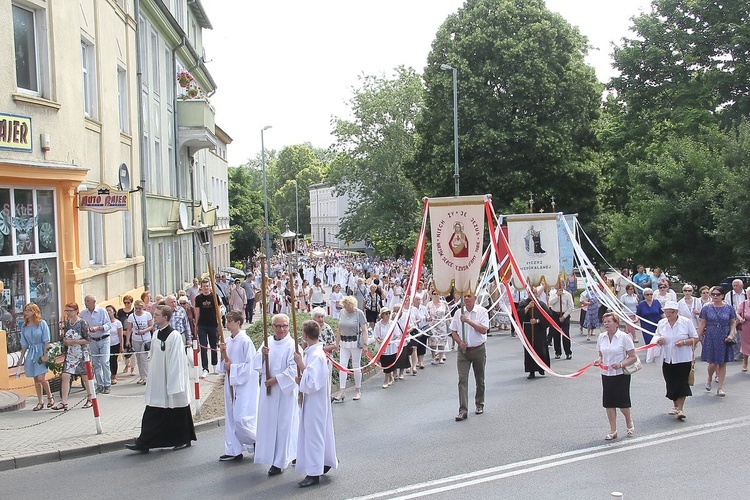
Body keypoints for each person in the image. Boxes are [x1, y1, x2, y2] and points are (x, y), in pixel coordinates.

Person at [126, 305, 196, 453]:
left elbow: (177, 360)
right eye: (154, 314)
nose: (154, 317)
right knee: (153, 410)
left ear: (165, 318)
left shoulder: (174, 336)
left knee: (178, 411)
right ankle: (144, 442)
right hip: (158, 380)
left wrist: (173, 382)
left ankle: (184, 439)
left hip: (172, 379)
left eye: (157, 315)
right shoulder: (156, 334)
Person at [293, 320, 338, 488]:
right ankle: (323, 461)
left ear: (305, 335)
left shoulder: (317, 355)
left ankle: (313, 473)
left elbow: (312, 382)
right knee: (315, 433)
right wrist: (302, 377)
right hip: (313, 401)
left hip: (316, 402)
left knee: (314, 435)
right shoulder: (313, 352)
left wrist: (300, 364)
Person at [253, 313, 299, 476]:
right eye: (278, 326)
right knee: (268, 424)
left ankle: (280, 461)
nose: (282, 329)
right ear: (272, 326)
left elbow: (294, 369)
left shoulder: (292, 345)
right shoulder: (268, 343)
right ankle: (269, 456)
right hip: (269, 393)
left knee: (284, 425)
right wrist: (262, 355)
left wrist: (276, 380)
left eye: (285, 326)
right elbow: (256, 364)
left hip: (284, 392)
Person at [217, 310, 259, 461]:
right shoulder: (228, 341)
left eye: (229, 321)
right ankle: (233, 449)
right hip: (231, 382)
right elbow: (224, 364)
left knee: (240, 419)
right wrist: (223, 354)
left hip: (244, 385)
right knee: (231, 417)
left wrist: (233, 368)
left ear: (238, 323)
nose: (226, 324)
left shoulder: (245, 341)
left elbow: (250, 366)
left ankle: (257, 440)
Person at [652, 301, 698, 420]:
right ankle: (675, 405)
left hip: (683, 358)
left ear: (676, 312)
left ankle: (680, 409)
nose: (668, 315)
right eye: (666, 312)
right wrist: (659, 340)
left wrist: (683, 342)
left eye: (670, 312)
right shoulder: (662, 323)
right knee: (671, 382)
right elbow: (656, 336)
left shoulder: (686, 322)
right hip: (667, 358)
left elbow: (695, 338)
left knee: (682, 382)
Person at [593, 313, 637, 440]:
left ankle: (629, 422)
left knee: (623, 402)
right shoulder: (602, 337)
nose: (606, 324)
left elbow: (633, 357)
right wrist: (599, 360)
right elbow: (601, 354)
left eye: (609, 321)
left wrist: (621, 364)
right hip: (606, 374)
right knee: (609, 402)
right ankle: (613, 429)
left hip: (621, 374)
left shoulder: (624, 337)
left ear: (616, 324)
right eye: (604, 321)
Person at [449, 291, 489, 421]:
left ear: (475, 298)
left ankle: (479, 403)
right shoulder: (458, 313)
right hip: (464, 353)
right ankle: (463, 410)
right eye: (464, 296)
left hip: (478, 350)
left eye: (468, 296)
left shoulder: (482, 311)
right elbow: (453, 331)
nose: (466, 299)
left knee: (480, 379)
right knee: (462, 380)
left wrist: (468, 321)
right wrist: (460, 342)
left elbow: (483, 329)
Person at [52, 303, 93, 411]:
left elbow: (88, 340)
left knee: (85, 377)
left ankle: (90, 398)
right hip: (71, 354)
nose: (68, 313)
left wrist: (74, 341)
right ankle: (64, 402)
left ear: (76, 311)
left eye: (70, 310)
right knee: (65, 376)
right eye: (66, 311)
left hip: (81, 354)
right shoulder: (67, 323)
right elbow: (65, 337)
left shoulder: (82, 323)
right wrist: (65, 341)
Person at [698, 286, 737, 397]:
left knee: (722, 362)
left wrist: (731, 334)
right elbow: (702, 324)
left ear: (722, 295)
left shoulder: (729, 307)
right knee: (712, 362)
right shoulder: (706, 308)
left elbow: (733, 322)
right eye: (713, 294)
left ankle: (720, 387)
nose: (715, 296)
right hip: (711, 334)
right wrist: (696, 338)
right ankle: (710, 378)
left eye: (717, 294)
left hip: (724, 335)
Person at [19, 303, 54, 411]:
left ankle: (50, 397)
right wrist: (21, 358)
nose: (26, 312)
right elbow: (24, 345)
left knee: (41, 378)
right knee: (35, 378)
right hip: (31, 353)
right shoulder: (24, 327)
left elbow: (46, 341)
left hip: (41, 351)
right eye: (25, 310)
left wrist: (45, 355)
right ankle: (40, 401)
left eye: (29, 310)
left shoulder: (41, 324)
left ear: (34, 311)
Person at [333, 296, 368, 402]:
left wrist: (365, 345)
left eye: (348, 306)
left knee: (356, 366)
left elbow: (364, 330)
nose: (346, 308)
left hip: (355, 343)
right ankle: (341, 391)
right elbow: (339, 328)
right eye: (345, 306)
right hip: (344, 342)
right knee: (342, 366)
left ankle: (357, 390)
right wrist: (336, 343)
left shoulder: (359, 313)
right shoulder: (342, 312)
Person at [79, 295, 112, 394]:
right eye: (85, 301)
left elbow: (108, 325)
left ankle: (107, 384)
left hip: (104, 339)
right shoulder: (83, 313)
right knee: (95, 363)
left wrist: (98, 328)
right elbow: (79, 322)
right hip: (92, 340)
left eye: (88, 301)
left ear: (94, 301)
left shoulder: (102, 311)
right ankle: (100, 385)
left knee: (104, 361)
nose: (86, 303)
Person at [520, 288, 553, 379]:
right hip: (528, 330)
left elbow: (548, 317)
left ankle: (541, 367)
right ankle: (531, 371)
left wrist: (538, 320)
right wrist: (528, 307)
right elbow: (519, 314)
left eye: (534, 292)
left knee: (541, 349)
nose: (532, 294)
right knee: (530, 350)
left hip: (539, 330)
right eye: (530, 293)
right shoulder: (524, 303)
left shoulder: (541, 304)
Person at [195, 278, 219, 378]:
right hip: (202, 325)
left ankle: (215, 365)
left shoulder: (214, 296)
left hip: (213, 324)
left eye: (207, 286)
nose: (205, 288)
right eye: (204, 286)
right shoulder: (199, 298)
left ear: (209, 287)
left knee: (214, 345)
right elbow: (197, 312)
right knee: (204, 346)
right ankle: (205, 368)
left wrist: (219, 322)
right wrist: (196, 326)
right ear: (201, 287)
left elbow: (218, 310)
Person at [127, 299, 153, 385]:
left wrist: (144, 331)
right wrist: (127, 340)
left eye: (139, 308)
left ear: (143, 308)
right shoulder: (131, 316)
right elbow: (129, 329)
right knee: (138, 358)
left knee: (143, 357)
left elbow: (151, 326)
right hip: (136, 339)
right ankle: (142, 376)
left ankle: (146, 377)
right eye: (136, 308)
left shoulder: (147, 315)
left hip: (146, 339)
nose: (138, 310)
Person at [548, 281, 574, 360]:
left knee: (566, 334)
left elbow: (570, 307)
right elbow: (550, 303)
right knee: (556, 335)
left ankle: (568, 352)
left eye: (561, 285)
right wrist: (557, 296)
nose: (560, 287)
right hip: (555, 315)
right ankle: (558, 352)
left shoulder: (567, 295)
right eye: (558, 285)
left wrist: (564, 316)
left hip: (564, 315)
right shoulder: (553, 294)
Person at [724, 278, 746, 362]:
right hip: (733, 317)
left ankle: (743, 353)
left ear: (742, 286)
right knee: (735, 336)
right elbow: (727, 307)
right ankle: (737, 353)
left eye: (737, 285)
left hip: (745, 318)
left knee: (744, 337)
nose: (735, 287)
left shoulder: (746, 294)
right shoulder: (729, 295)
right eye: (734, 286)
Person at [374, 308, 397, 388]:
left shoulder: (392, 323)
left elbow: (396, 335)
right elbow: (376, 336)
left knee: (391, 362)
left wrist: (390, 341)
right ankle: (388, 378)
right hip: (383, 348)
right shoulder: (378, 325)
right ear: (382, 315)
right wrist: (380, 341)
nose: (387, 315)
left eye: (388, 313)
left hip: (392, 347)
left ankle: (388, 378)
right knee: (385, 363)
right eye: (386, 314)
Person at [426, 290, 449, 364]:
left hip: (442, 324)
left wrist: (451, 323)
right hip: (432, 325)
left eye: (437, 294)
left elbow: (448, 314)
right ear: (432, 295)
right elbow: (426, 314)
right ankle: (433, 357)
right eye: (434, 294)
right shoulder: (429, 304)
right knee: (433, 342)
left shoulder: (444, 304)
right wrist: (428, 318)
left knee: (442, 342)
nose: (436, 295)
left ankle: (441, 357)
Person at [117, 295, 136, 377]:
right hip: (123, 333)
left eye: (128, 302)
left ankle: (133, 368)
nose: (126, 304)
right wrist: (122, 332)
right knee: (125, 351)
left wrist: (130, 331)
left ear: (131, 303)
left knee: (133, 351)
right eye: (125, 302)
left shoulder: (134, 311)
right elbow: (118, 322)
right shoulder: (120, 311)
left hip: (132, 333)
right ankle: (126, 364)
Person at [105, 305, 124, 385]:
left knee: (113, 360)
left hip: (115, 344)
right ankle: (107, 376)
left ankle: (114, 375)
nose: (108, 312)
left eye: (110, 310)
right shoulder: (104, 322)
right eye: (107, 311)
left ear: (114, 312)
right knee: (106, 360)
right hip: (106, 344)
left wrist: (121, 346)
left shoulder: (117, 323)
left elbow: (120, 335)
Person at [738, 286, 750, 372]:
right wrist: (740, 319)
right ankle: (745, 363)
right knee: (746, 345)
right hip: (746, 327)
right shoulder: (744, 303)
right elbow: (737, 313)